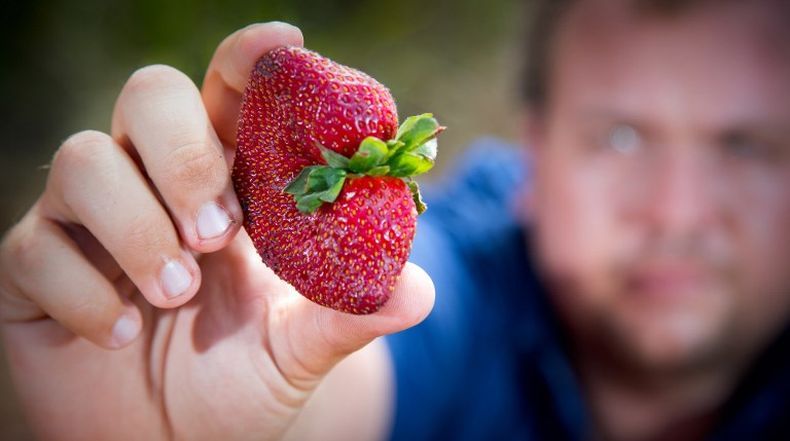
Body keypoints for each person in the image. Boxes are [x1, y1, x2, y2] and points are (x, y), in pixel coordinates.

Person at [1, 0, 788, 439]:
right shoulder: (467, 284)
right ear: (532, 155)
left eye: (748, 144)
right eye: (619, 137)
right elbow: (362, 352)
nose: (678, 211)